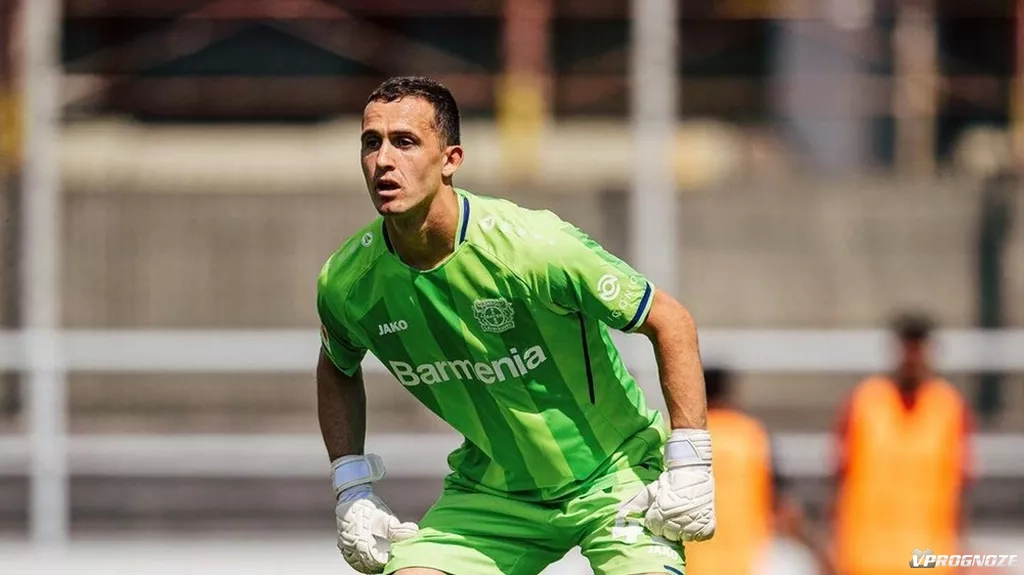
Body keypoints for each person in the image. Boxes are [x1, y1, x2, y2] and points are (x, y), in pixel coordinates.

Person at [316, 76, 716, 575]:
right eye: (371, 143)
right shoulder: (348, 282)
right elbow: (337, 365)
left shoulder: (534, 247)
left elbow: (670, 320)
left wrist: (691, 460)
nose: (383, 160)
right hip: (493, 491)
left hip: (616, 478)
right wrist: (352, 486)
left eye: (405, 141)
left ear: (450, 159)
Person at [831, 313, 974, 575]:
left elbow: (960, 486)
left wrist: (960, 554)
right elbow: (839, 479)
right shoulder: (865, 402)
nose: (912, 359)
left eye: (918, 350)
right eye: (907, 349)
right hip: (866, 555)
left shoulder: (948, 407)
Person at [684, 367, 834, 575]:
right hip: (745, 556)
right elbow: (781, 502)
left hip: (692, 558)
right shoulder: (751, 434)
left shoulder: (681, 437)